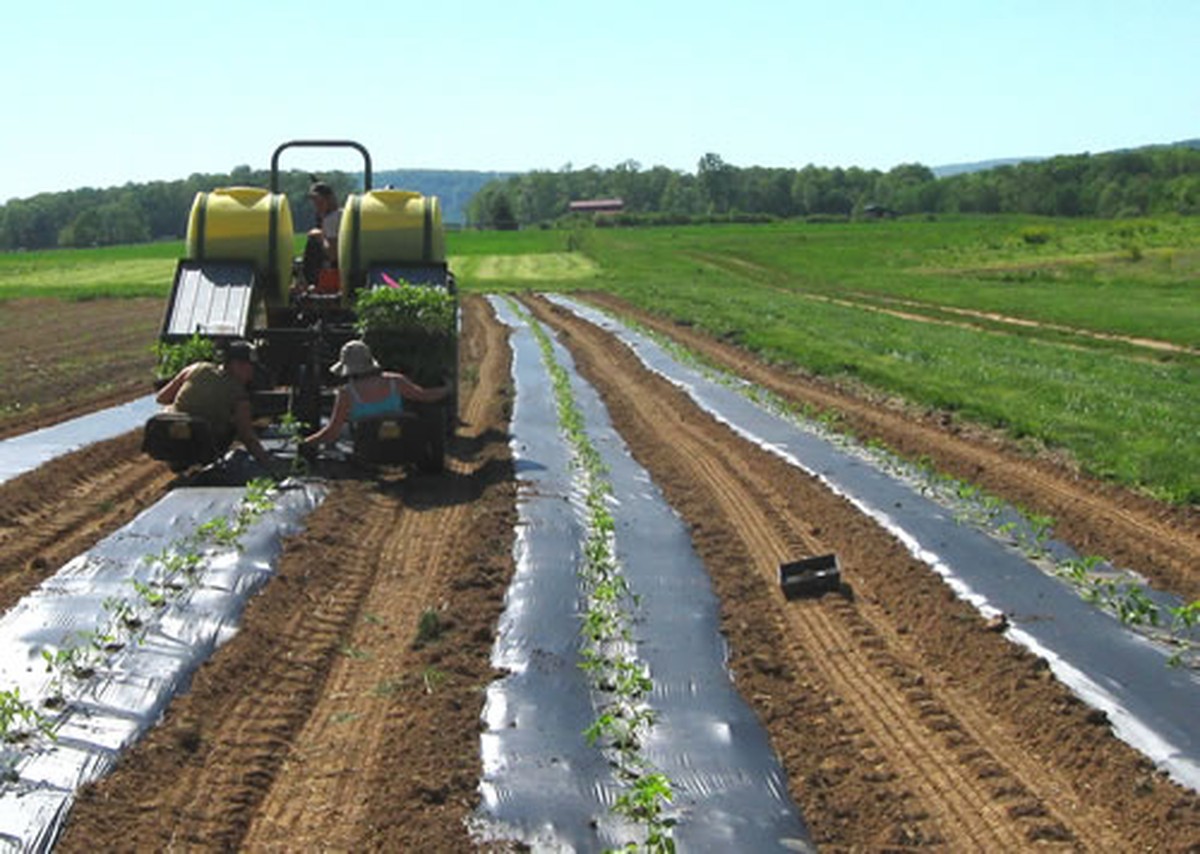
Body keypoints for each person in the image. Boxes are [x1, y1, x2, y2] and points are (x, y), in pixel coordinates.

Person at [302, 340, 449, 449]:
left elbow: (332, 433)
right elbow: (425, 396)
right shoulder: (395, 381)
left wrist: (306, 443)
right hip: (400, 445)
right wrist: (448, 388)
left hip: (369, 449)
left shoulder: (346, 393)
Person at [155, 340, 277, 470]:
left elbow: (162, 398)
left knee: (168, 410)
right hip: (203, 446)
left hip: (166, 437)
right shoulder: (239, 395)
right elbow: (247, 436)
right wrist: (267, 462)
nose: (251, 373)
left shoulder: (196, 368)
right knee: (233, 424)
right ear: (236, 364)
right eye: (249, 367)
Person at [302, 179, 342, 289]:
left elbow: (333, 254)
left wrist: (320, 237)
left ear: (329, 199)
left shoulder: (331, 219)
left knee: (312, 241)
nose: (316, 206)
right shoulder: (340, 215)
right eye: (314, 202)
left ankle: (310, 283)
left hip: (336, 267)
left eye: (319, 202)